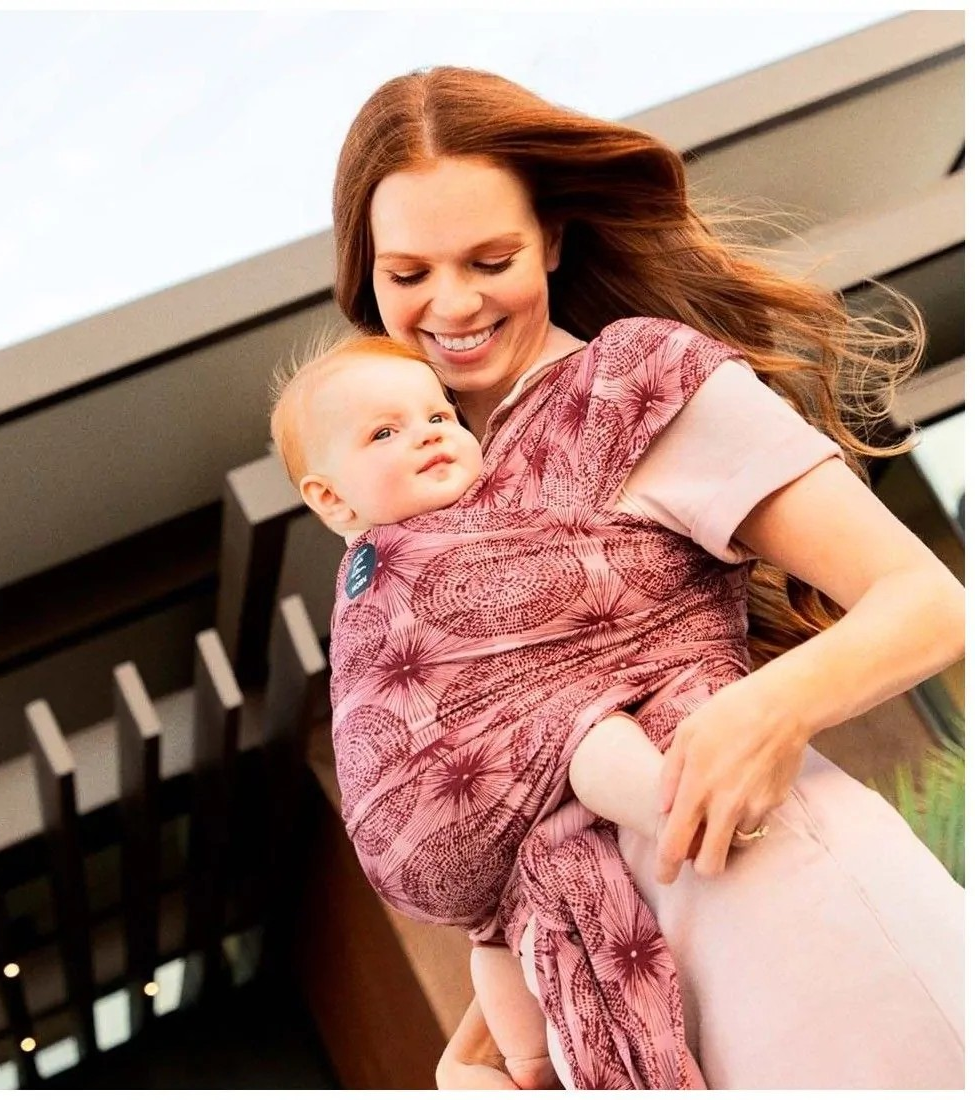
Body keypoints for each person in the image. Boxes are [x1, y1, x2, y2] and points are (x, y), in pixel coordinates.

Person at [322, 65, 965, 1089]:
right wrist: (491, 1036)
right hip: (618, 991)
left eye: (489, 258)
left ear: (554, 241)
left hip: (780, 900)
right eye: (406, 275)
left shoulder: (636, 379)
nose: (450, 303)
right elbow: (511, 781)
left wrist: (771, 707)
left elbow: (926, 601)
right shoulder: (416, 509)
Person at [271, 331, 721, 1088]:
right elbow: (388, 684)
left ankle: (529, 1062)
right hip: (460, 776)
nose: (427, 435)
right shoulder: (387, 560)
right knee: (581, 729)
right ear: (331, 498)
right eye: (385, 432)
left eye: (439, 416)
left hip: (483, 856)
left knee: (500, 930)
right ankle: (671, 805)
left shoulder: (450, 523)